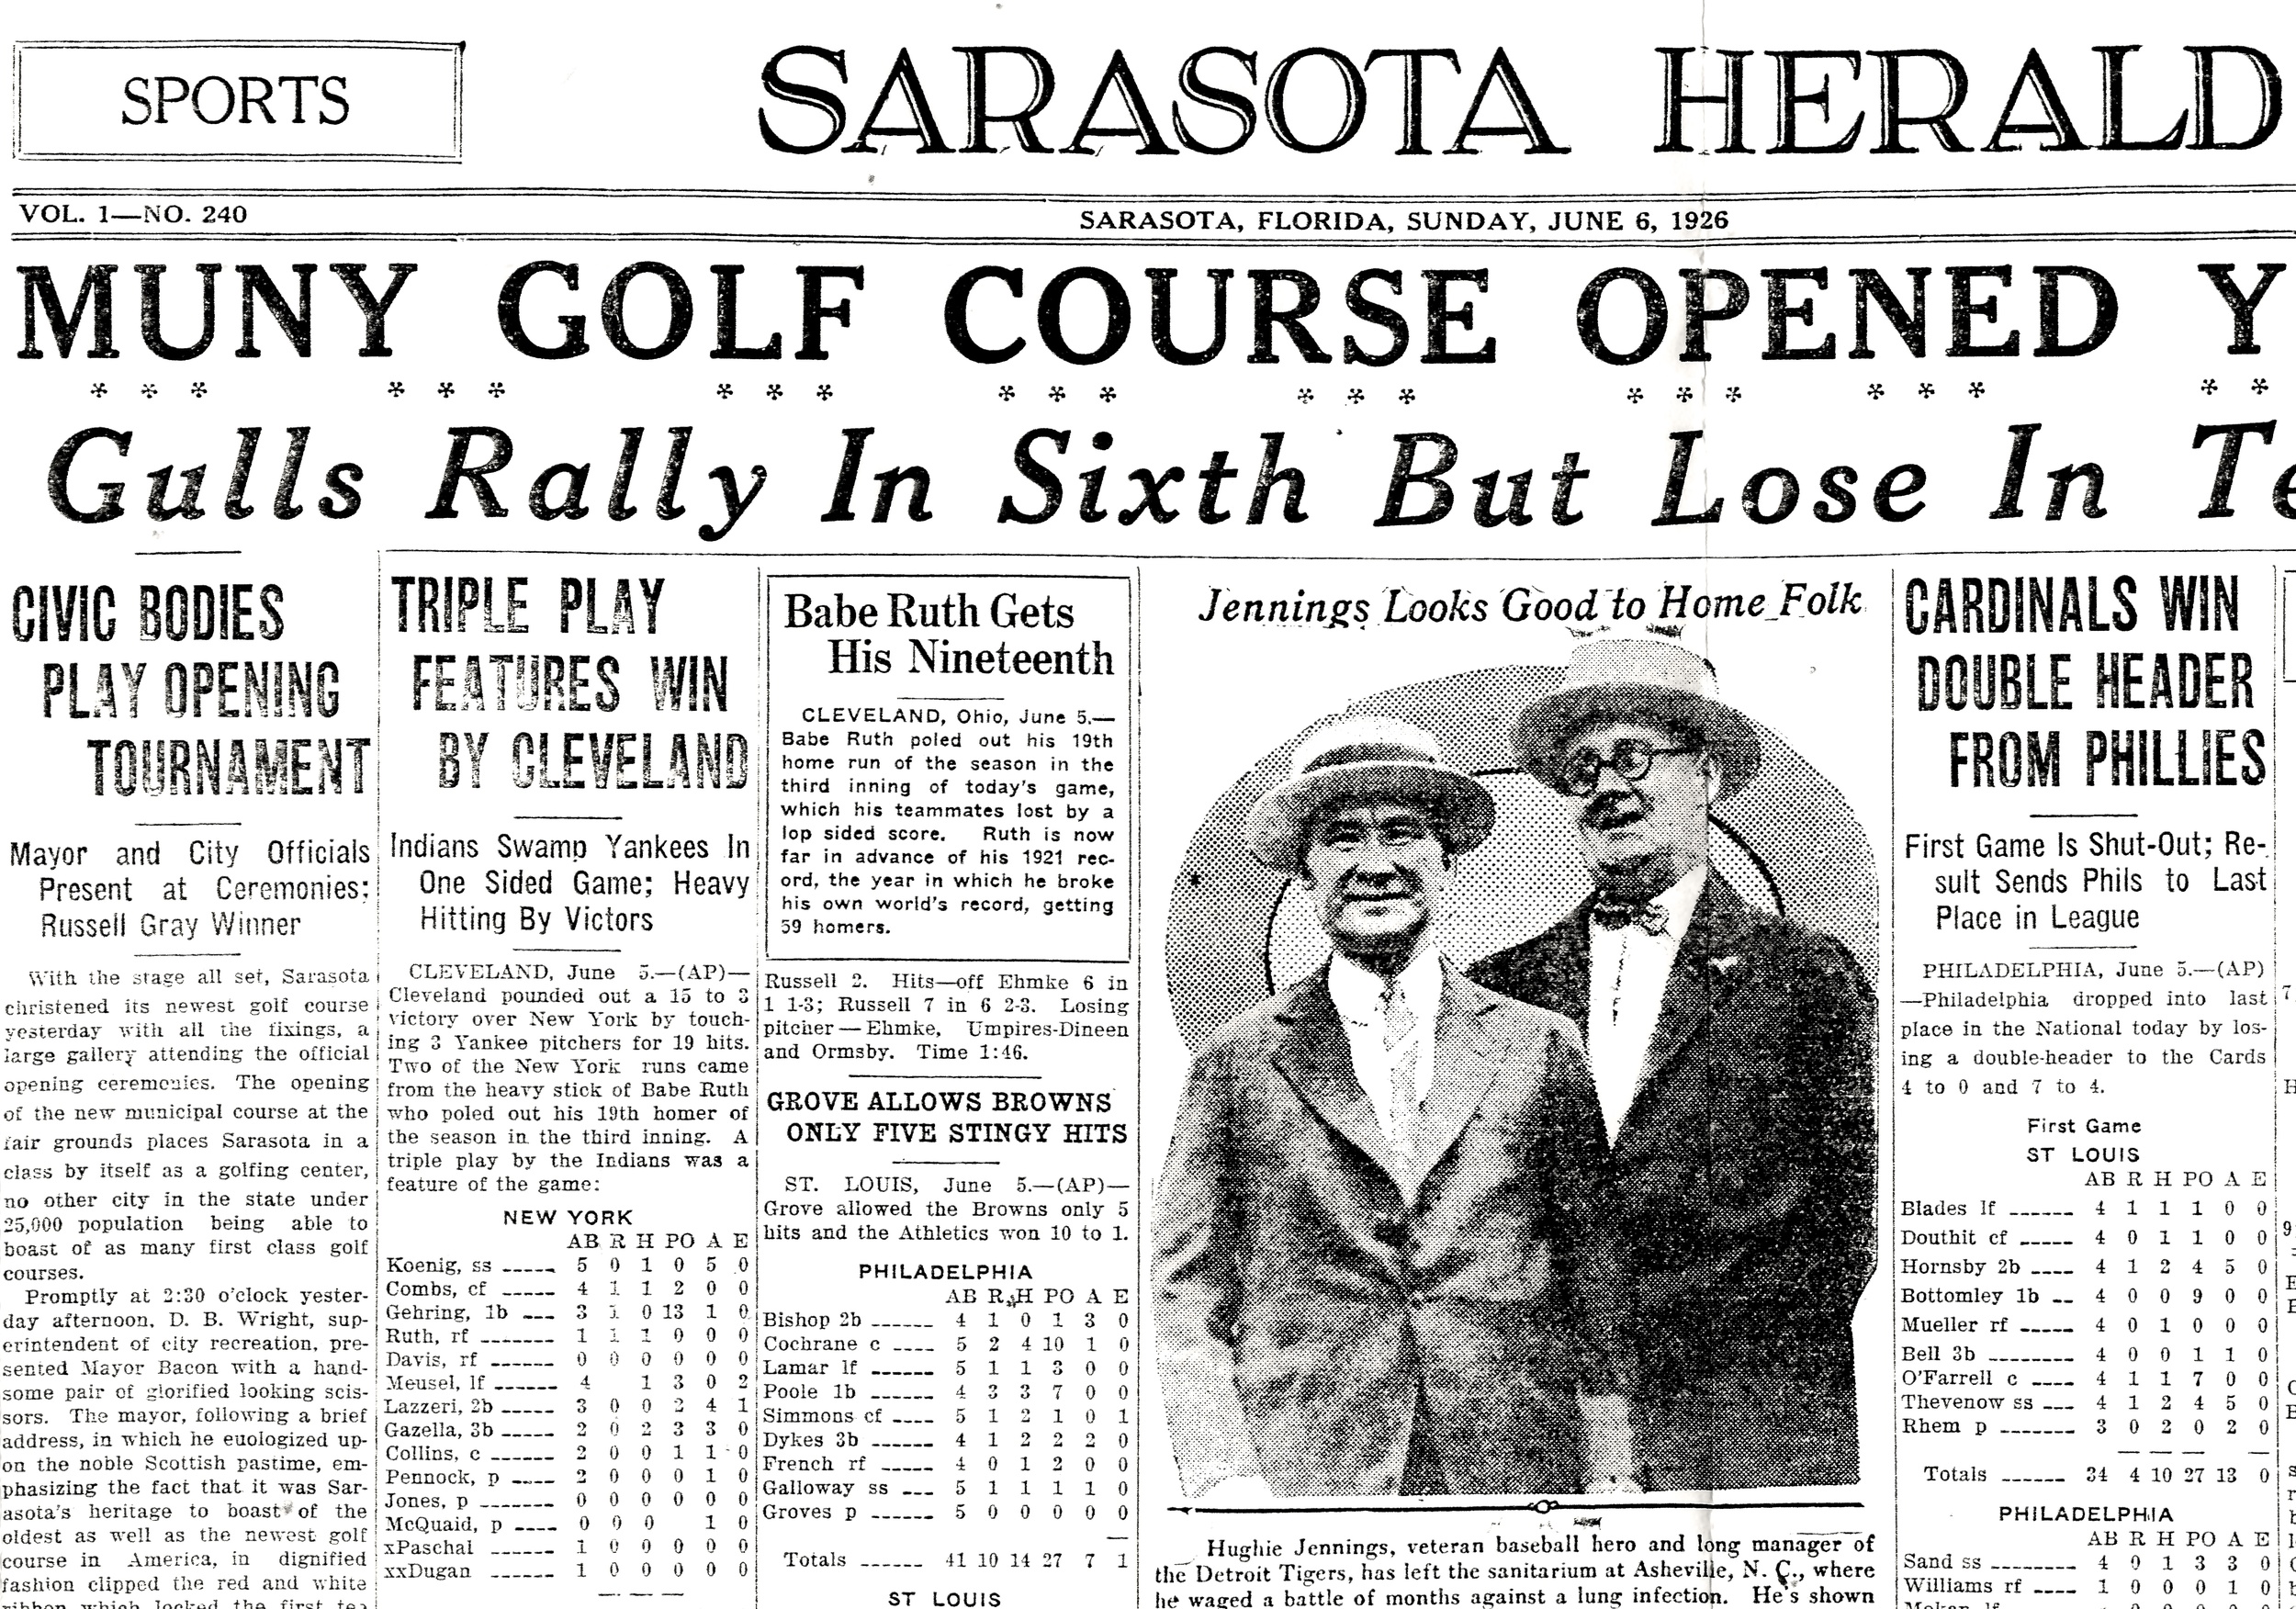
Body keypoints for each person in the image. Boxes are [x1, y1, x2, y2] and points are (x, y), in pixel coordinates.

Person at [1155, 717, 1632, 1499]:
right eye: (1343, 839)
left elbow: (1595, 1275)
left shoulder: (1540, 1043)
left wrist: (1612, 1462)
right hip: (1311, 1468)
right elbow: (1185, 1285)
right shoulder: (1236, 1058)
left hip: (1513, 1464)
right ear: (1304, 873)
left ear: (1447, 858)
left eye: (1402, 834)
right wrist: (1220, 1475)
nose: (1375, 866)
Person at [1469, 637, 1877, 1490]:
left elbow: (1857, 1210)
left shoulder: (1806, 975)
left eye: (1633, 758)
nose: (1608, 789)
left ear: (1708, 778)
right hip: (1553, 1420)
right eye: (1581, 772)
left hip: (1754, 1411)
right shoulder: (1498, 988)